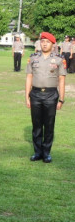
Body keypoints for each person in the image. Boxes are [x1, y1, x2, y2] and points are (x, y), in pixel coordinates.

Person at [25, 32, 66, 163]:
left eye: (47, 42)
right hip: (35, 94)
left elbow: (61, 80)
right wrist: (27, 96)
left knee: (49, 125)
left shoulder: (59, 59)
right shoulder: (33, 58)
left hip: (51, 95)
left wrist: (61, 99)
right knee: (36, 125)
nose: (44, 44)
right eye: (42, 41)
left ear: (53, 44)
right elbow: (29, 77)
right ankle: (37, 152)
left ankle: (46, 152)